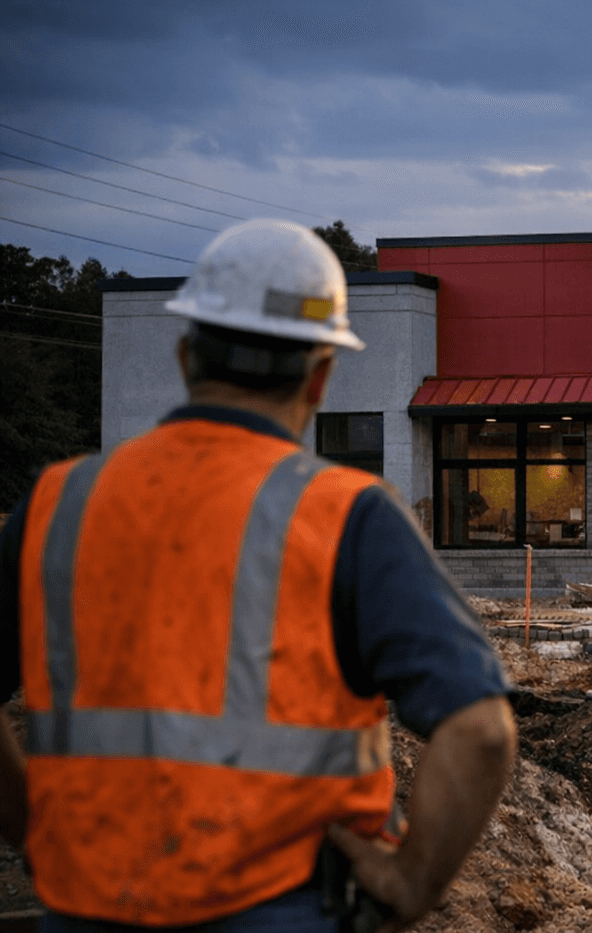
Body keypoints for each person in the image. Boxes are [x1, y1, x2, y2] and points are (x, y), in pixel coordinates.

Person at [0, 219, 516, 932]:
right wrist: (409, 883)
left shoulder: (59, 504)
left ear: (185, 357)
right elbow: (483, 731)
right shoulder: (345, 515)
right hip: (286, 909)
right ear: (323, 373)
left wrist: (35, 830)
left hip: (86, 908)